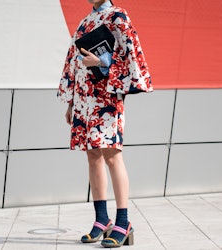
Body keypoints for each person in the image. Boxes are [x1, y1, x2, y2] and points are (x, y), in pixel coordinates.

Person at [57, 0, 152, 247]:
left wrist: (100, 62)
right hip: (84, 99)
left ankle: (123, 221)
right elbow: (73, 61)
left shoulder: (118, 16)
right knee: (92, 156)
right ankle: (101, 219)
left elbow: (130, 55)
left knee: (112, 155)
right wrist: (71, 102)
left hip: (107, 96)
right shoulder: (84, 22)